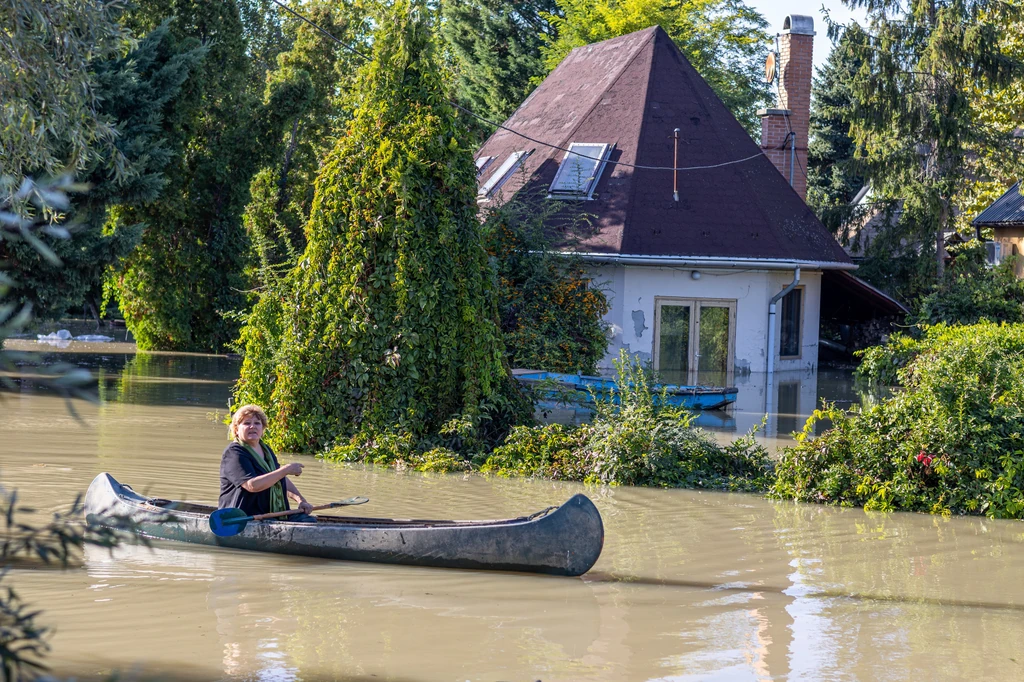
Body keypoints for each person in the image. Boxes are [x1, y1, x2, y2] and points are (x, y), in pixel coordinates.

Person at [219, 404, 316, 522]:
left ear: (262, 429)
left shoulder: (266, 450)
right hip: (242, 518)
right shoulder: (234, 453)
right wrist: (285, 469)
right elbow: (252, 485)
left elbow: (279, 478)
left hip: (272, 514)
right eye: (246, 423)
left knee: (309, 520)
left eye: (257, 423)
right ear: (236, 429)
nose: (252, 427)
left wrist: (301, 500)